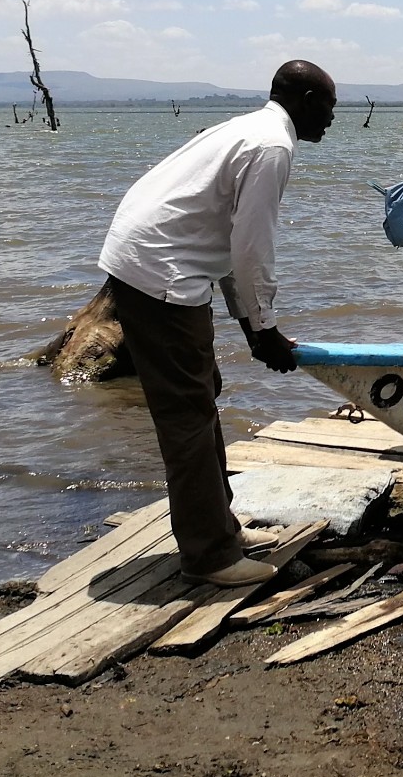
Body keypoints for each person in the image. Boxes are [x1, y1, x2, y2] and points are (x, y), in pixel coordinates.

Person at [97, 61, 339, 586]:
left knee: (204, 389)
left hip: (150, 258)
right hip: (160, 269)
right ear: (302, 98)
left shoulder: (251, 130)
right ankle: (209, 556)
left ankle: (219, 527)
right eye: (329, 105)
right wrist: (265, 327)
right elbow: (253, 249)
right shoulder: (273, 146)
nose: (333, 118)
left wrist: (253, 327)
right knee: (186, 411)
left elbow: (232, 246)